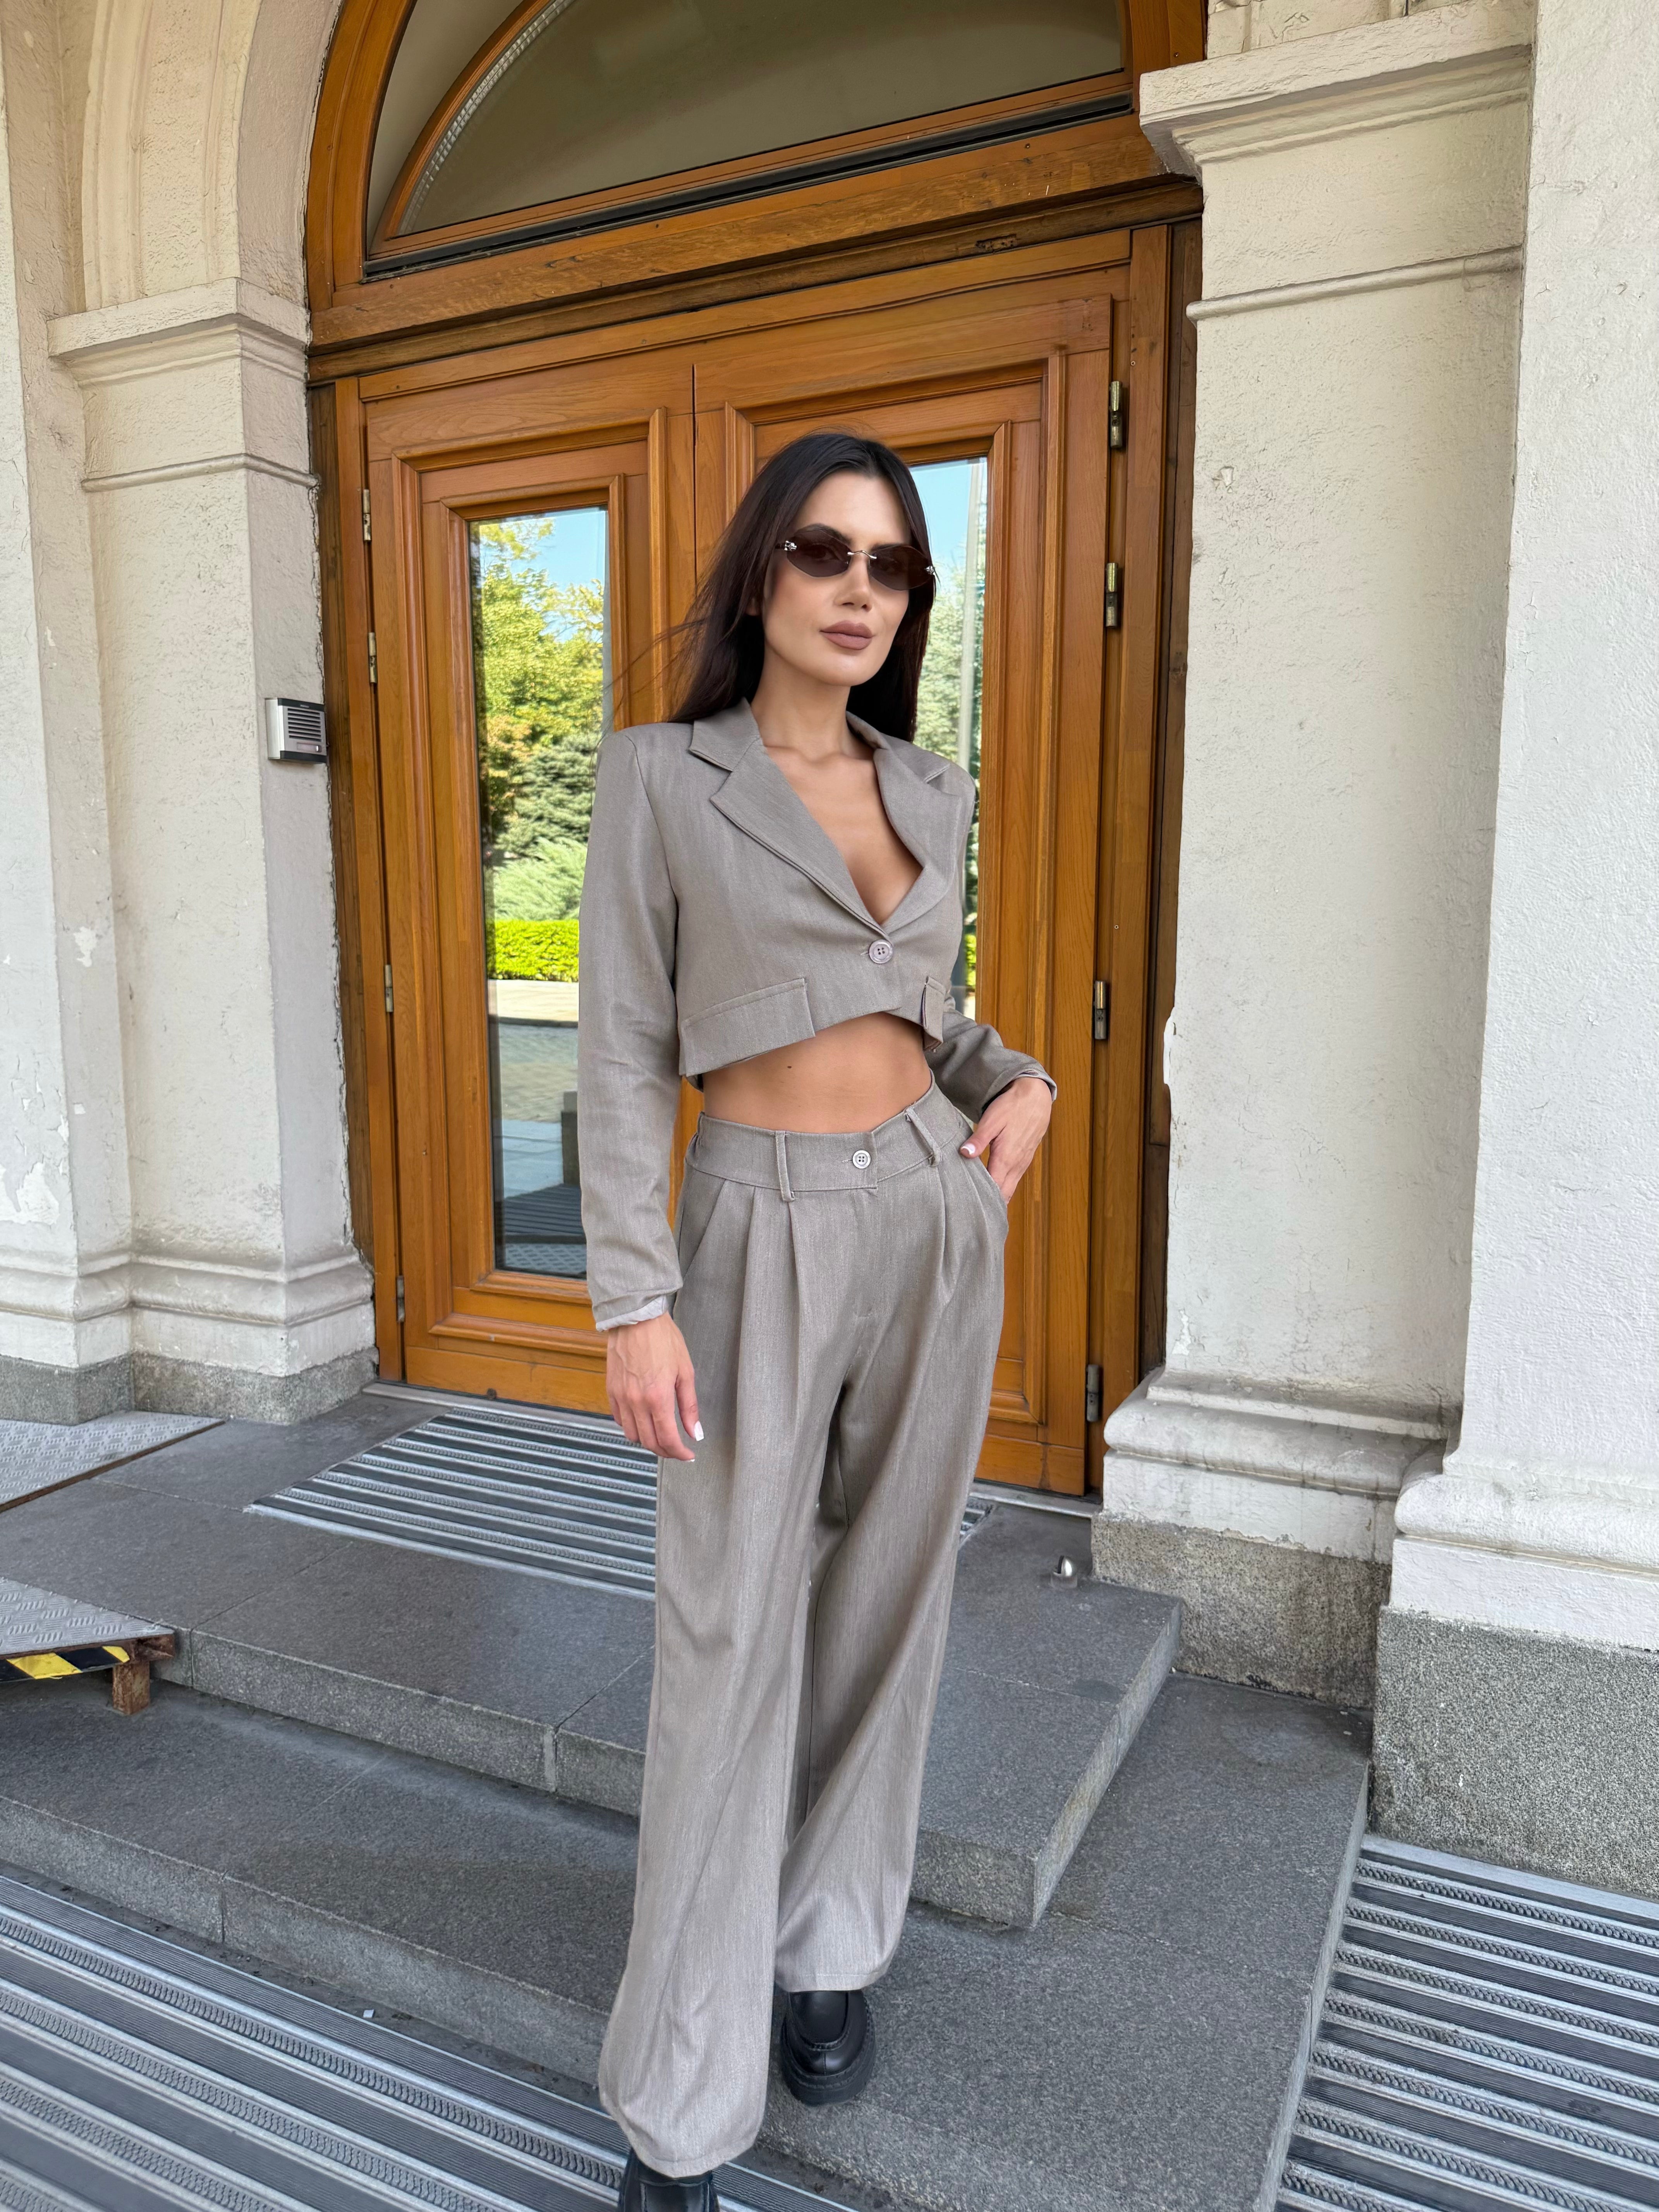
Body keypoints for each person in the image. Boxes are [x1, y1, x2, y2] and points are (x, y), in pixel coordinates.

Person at [577, 430, 1054, 2212]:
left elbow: (923, 1010)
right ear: (762, 571)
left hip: (931, 1214)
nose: (863, 591)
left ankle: (826, 1943)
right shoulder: (662, 776)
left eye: (894, 567)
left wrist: (1019, 1080)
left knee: (887, 1605)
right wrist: (633, 1297)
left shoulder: (928, 786)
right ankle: (679, 2100)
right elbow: (623, 1050)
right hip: (750, 1229)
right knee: (726, 1643)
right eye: (827, 553)